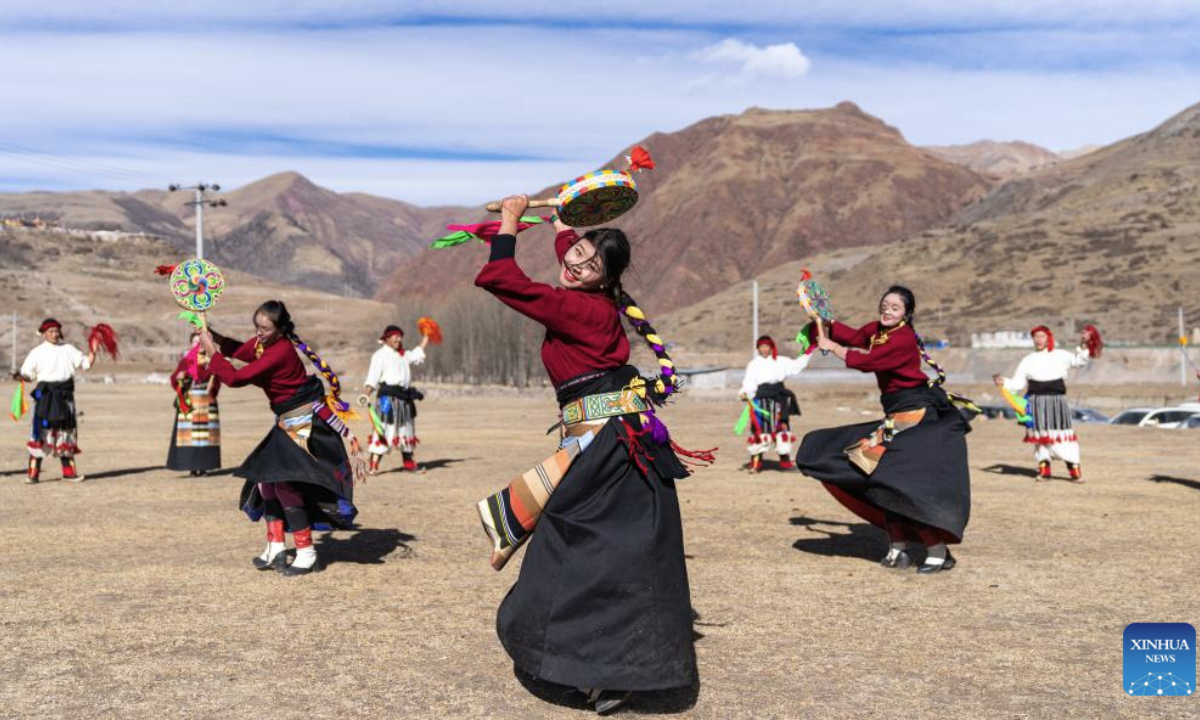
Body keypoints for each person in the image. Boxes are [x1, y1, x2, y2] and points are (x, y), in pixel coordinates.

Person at [475, 196, 703, 715]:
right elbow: (571, 250)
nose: (574, 263)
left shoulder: (579, 308)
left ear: (605, 278)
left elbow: (499, 279)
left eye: (590, 263)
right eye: (575, 253)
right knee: (595, 547)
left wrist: (509, 223)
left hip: (609, 446)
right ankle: (603, 662)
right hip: (610, 438)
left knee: (588, 547)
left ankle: (611, 671)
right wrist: (561, 224)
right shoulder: (591, 292)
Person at [796, 286, 971, 574]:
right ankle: (897, 548)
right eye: (885, 305)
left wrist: (835, 348)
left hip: (915, 416)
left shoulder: (902, 338)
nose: (887, 310)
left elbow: (868, 362)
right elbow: (853, 337)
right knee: (874, 475)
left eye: (895, 308)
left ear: (906, 313)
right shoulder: (878, 330)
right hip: (895, 414)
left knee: (898, 481)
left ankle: (937, 550)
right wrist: (824, 323)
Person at [199, 301, 363, 577]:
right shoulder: (265, 343)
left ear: (280, 329)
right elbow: (240, 350)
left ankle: (306, 552)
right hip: (287, 420)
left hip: (303, 422)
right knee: (267, 482)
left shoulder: (281, 351)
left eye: (264, 328)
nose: (259, 333)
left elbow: (236, 378)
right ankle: (276, 546)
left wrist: (210, 349)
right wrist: (210, 333)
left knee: (285, 483)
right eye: (257, 327)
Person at [993, 325, 1099, 482]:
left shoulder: (1061, 355)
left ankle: (1075, 471)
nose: (1038, 340)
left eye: (1042, 336)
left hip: (1057, 402)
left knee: (1063, 436)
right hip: (1036, 402)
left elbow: (1079, 361)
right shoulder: (1027, 360)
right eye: (1035, 337)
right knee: (1041, 438)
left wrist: (1085, 344)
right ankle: (1044, 471)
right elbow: (1018, 383)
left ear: (1049, 338)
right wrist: (1004, 382)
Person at [15, 318, 100, 483]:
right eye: (51, 331)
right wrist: (21, 376)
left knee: (66, 432)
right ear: (44, 334)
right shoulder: (37, 352)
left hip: (64, 396)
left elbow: (86, 364)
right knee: (40, 432)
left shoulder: (68, 349)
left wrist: (93, 350)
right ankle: (33, 474)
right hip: (44, 396)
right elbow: (27, 375)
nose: (54, 334)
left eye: (56, 331)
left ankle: (69, 473)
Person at [359, 325, 429, 474]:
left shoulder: (403, 355)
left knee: (406, 430)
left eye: (400, 336)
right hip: (386, 399)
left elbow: (417, 354)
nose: (399, 339)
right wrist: (366, 393)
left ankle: (409, 463)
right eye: (395, 336)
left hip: (404, 399)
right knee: (382, 429)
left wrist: (426, 337)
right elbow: (373, 377)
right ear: (387, 339)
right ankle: (373, 465)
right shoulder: (380, 355)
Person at [739, 334, 810, 472]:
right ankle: (756, 463)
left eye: (767, 346)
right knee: (760, 431)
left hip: (779, 401)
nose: (764, 349)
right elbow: (749, 383)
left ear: (771, 347)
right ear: (758, 348)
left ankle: (785, 464)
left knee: (782, 430)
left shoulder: (782, 361)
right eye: (761, 346)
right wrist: (745, 393)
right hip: (761, 402)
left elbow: (798, 365)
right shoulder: (754, 364)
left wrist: (808, 351)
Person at [166, 327, 222, 476]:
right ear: (191, 344)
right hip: (190, 400)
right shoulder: (186, 361)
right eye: (195, 342)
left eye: (201, 341)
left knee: (205, 437)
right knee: (190, 437)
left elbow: (217, 380)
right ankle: (191, 467)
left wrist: (213, 379)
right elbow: (174, 379)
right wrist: (180, 378)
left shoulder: (211, 361)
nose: (198, 344)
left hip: (206, 400)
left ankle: (204, 467)